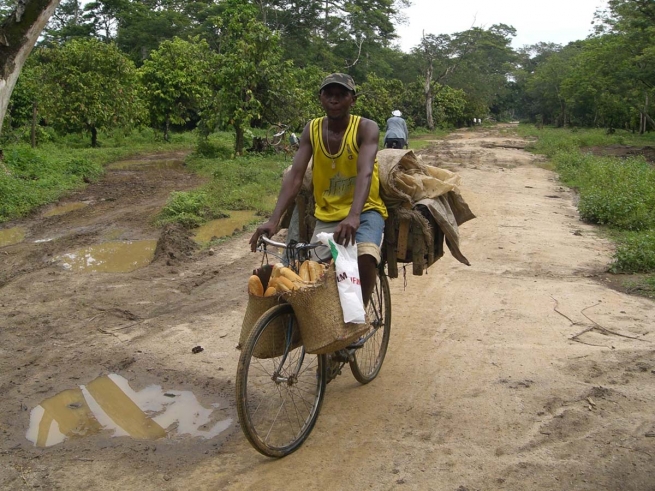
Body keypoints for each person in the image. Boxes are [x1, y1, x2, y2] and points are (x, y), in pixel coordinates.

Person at [250, 73, 388, 307]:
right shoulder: (312, 129)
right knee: (312, 274)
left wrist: (354, 216)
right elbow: (295, 176)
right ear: (321, 98)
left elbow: (365, 172)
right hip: (326, 215)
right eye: (329, 94)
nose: (334, 100)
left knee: (365, 256)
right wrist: (274, 220)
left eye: (341, 95)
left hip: (364, 211)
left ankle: (359, 316)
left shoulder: (366, 128)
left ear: (352, 100)